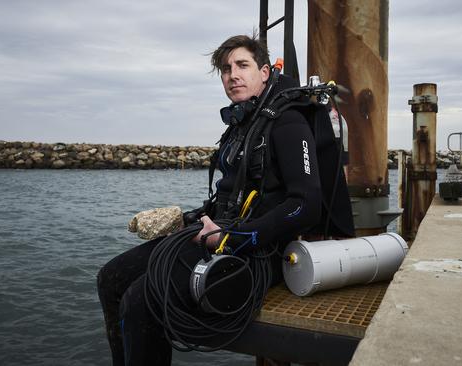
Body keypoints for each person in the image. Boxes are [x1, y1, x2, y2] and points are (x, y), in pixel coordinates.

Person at [97, 34, 338, 366]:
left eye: (242, 65)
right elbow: (229, 196)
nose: (233, 75)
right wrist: (184, 218)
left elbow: (306, 205)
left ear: (265, 73)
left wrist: (236, 237)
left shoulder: (288, 123)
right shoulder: (242, 124)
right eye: (226, 69)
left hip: (260, 250)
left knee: (142, 299)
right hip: (217, 233)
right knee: (111, 278)